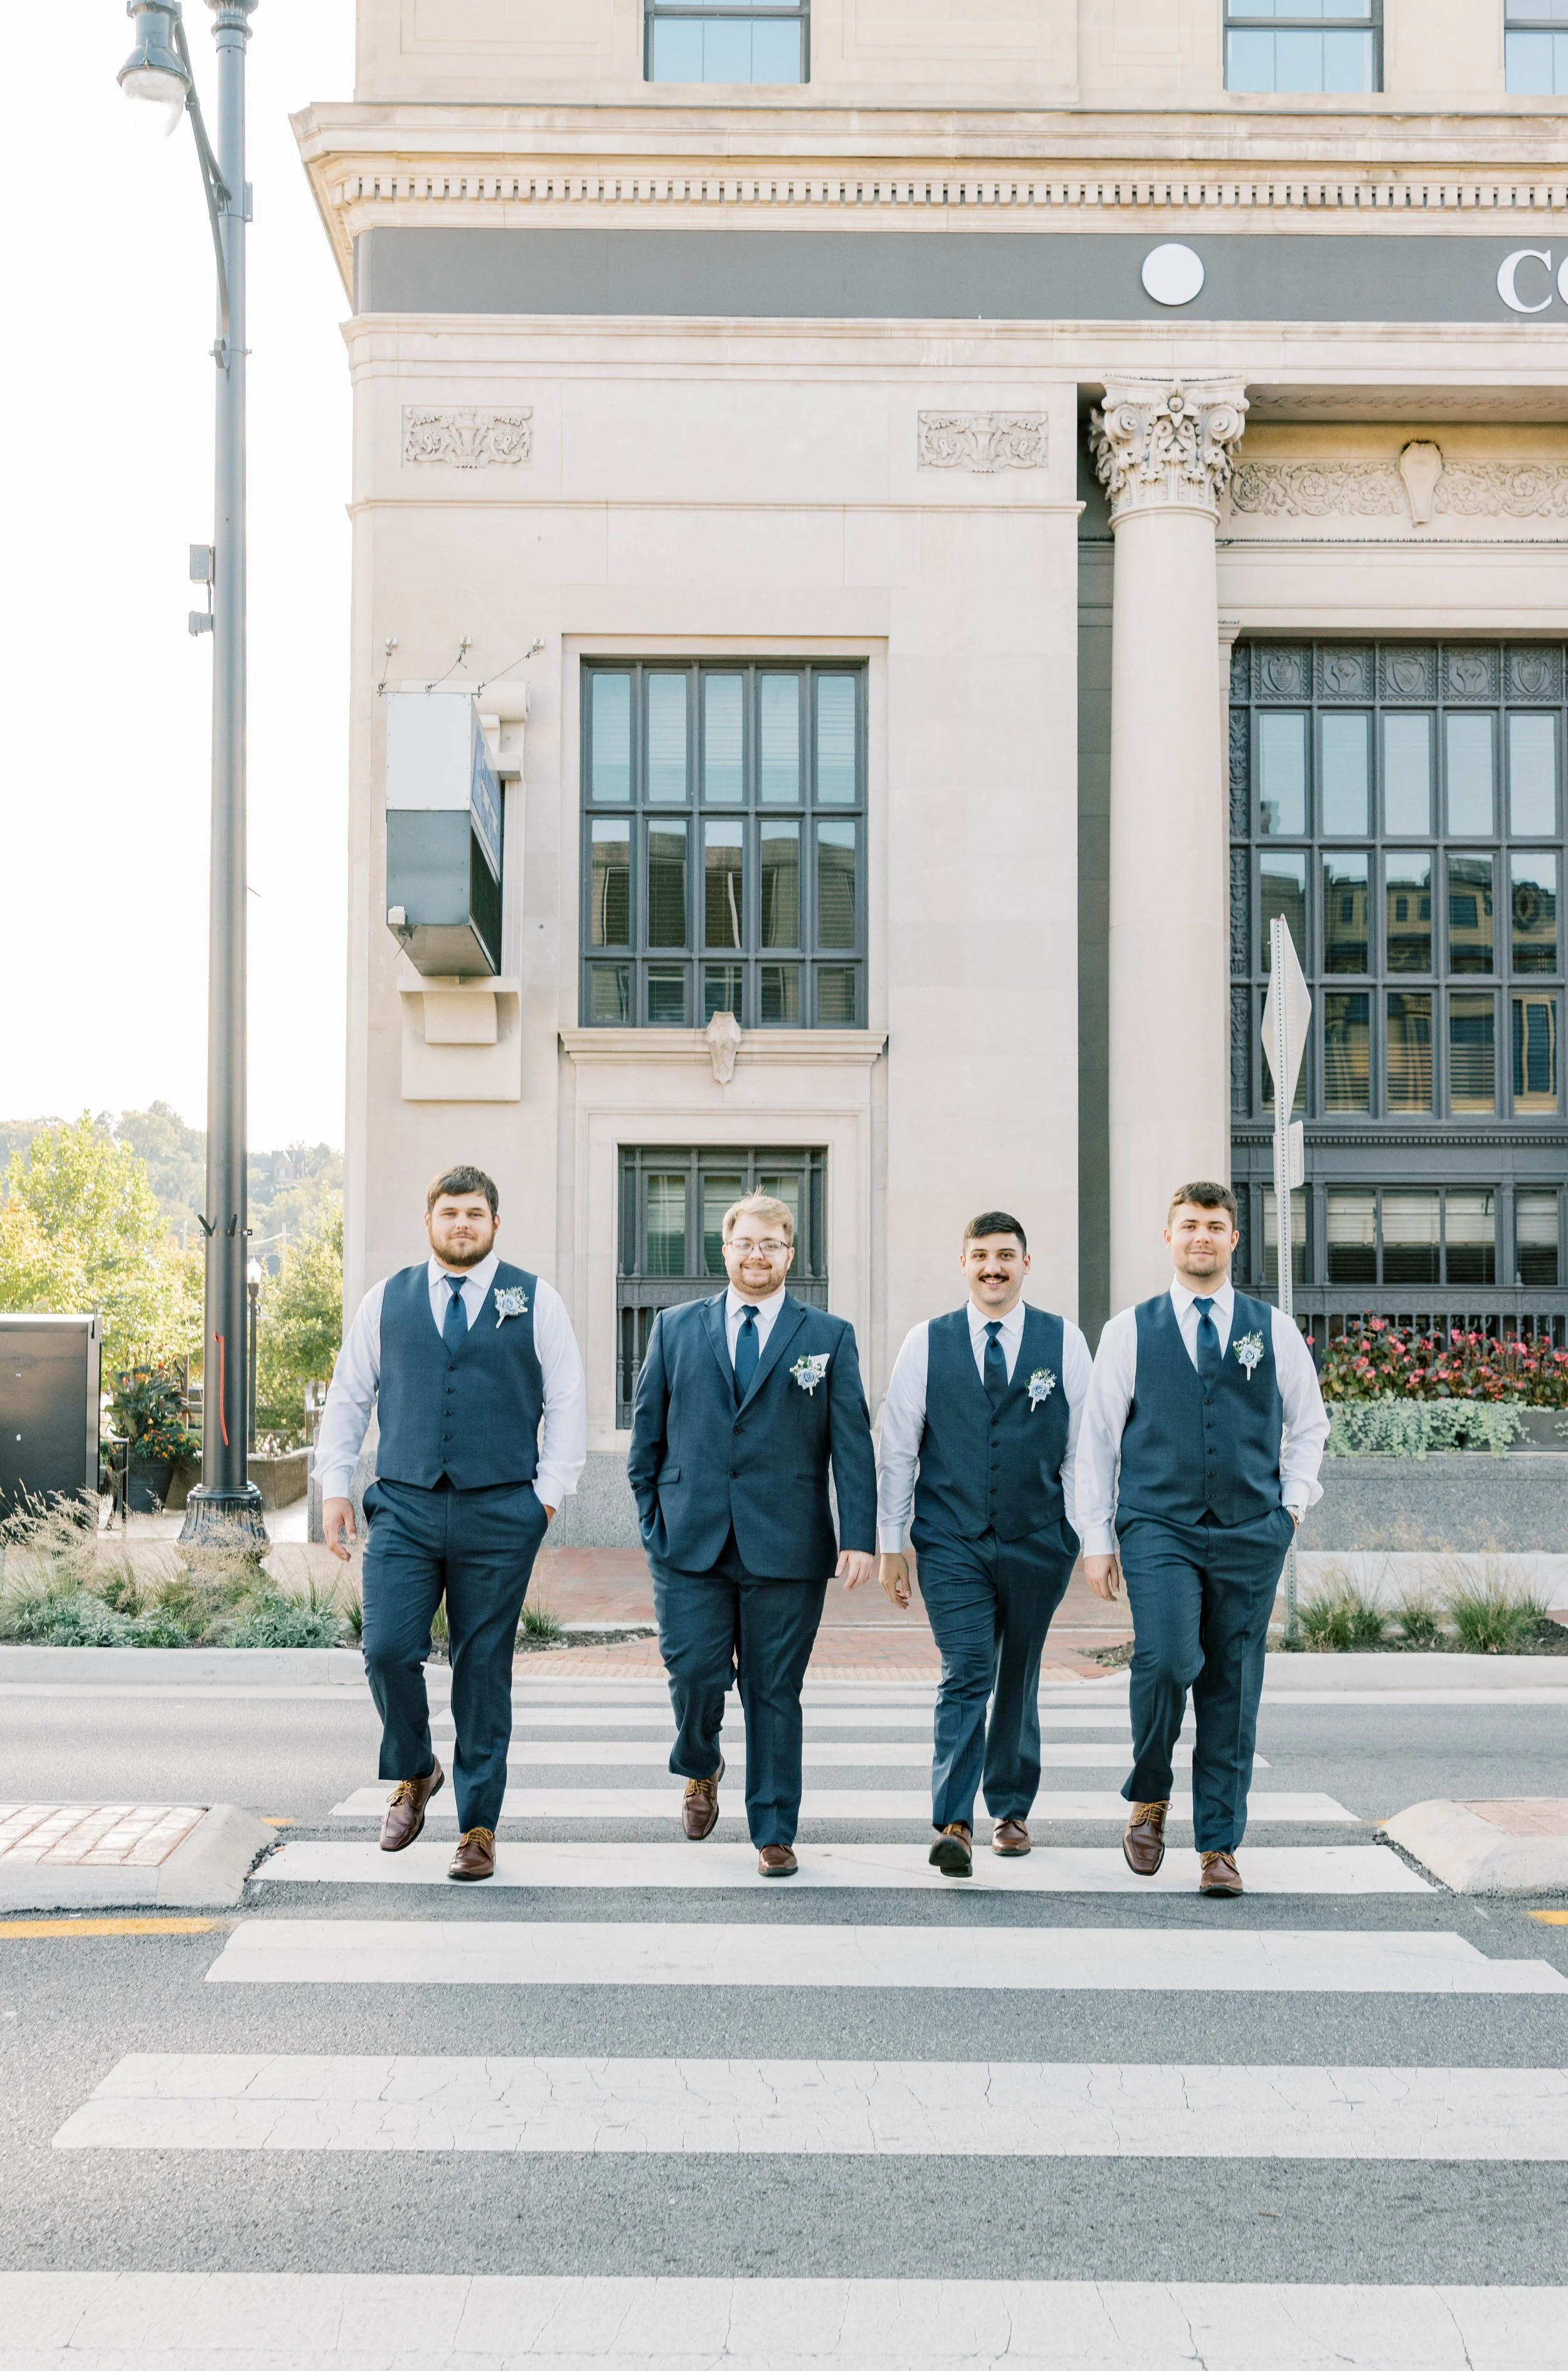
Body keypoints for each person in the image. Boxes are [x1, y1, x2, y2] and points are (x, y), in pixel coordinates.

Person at [316, 1164, 586, 1882]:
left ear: (495, 1224)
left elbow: (566, 1401)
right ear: (429, 1223)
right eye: (448, 1214)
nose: (461, 1224)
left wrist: (546, 1498)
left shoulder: (536, 1300)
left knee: (482, 1670)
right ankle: (415, 1769)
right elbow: (349, 1395)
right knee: (386, 1650)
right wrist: (334, 1484)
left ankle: (477, 1827)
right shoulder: (387, 1300)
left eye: (474, 1213)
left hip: (502, 1510)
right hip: (402, 1505)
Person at [1077, 1180, 1328, 1896]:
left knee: (1232, 1686)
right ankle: (1149, 1795)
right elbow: (1096, 1439)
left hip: (1253, 1530)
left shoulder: (1271, 1328)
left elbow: (1308, 1424)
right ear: (1167, 1237)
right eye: (1188, 1225)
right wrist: (1096, 1538)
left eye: (1214, 1226)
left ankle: (1218, 1845)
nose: (1201, 1238)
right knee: (1163, 1661)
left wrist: (1292, 1507)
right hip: (1159, 1525)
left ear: (1233, 1239)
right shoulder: (1129, 1329)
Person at [627, 1192, 877, 1877]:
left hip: (788, 1545)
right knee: (695, 1674)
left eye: (772, 1245)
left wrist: (860, 1535)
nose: (757, 1255)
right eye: (746, 1243)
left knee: (774, 1690)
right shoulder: (675, 1328)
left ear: (789, 1255)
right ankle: (700, 1764)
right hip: (689, 1543)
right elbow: (646, 1434)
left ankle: (773, 1829)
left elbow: (851, 1443)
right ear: (725, 1250)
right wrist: (654, 1523)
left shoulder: (826, 1336)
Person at [869, 1211, 1091, 1877]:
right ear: (961, 1264)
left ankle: (1013, 1808)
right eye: (980, 1256)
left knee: (1018, 1675)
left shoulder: (1064, 1340)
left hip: (1038, 1541)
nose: (992, 1266)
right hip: (951, 1543)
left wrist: (1083, 1536)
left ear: (1027, 1263)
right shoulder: (925, 1342)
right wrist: (890, 1545)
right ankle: (954, 1821)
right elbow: (898, 1447)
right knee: (966, 1671)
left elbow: (1085, 1448)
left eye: (1005, 1255)